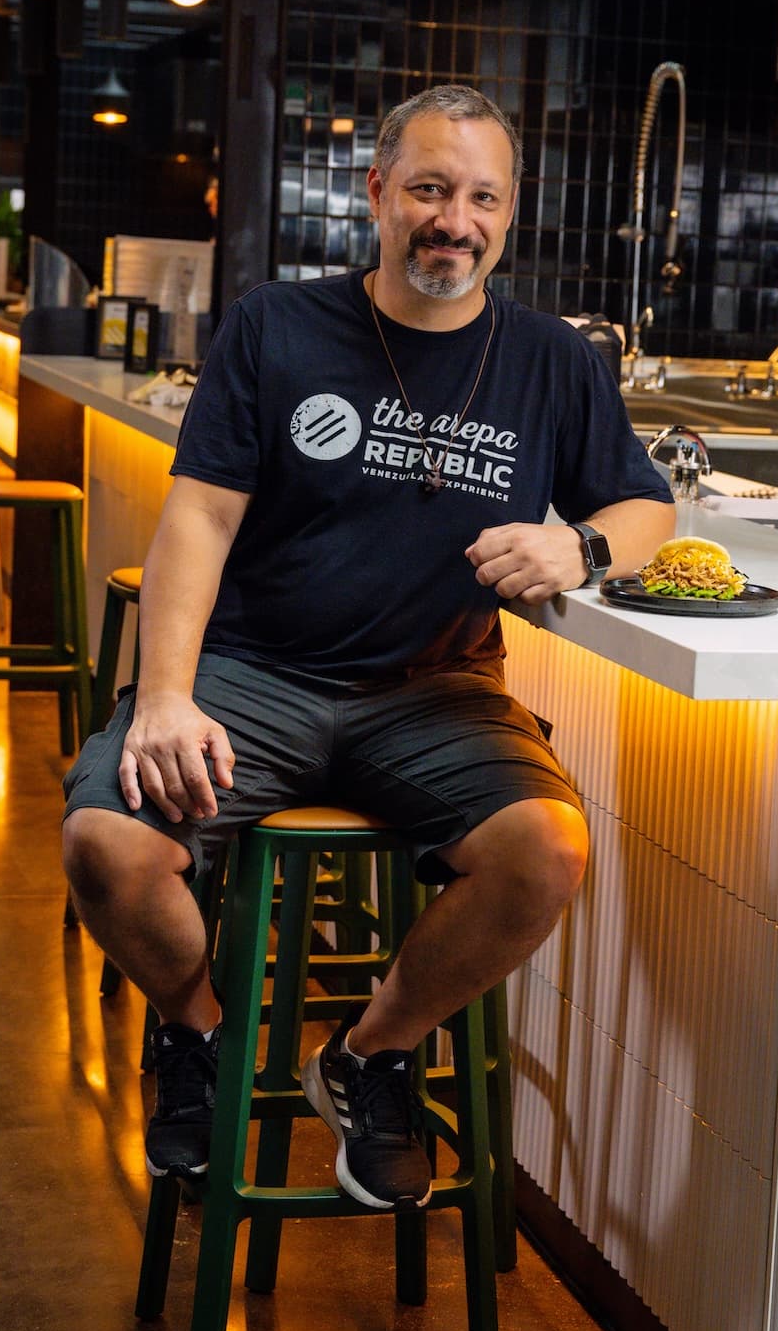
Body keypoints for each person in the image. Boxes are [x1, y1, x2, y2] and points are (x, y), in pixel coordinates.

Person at [61, 84, 674, 1210]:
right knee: (108, 841)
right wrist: (165, 695)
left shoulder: (552, 358)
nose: (455, 220)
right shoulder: (277, 326)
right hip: (255, 676)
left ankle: (371, 1050)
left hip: (437, 690)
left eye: (482, 196)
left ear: (510, 210)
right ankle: (197, 1035)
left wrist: (580, 547)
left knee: (550, 851)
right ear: (378, 191)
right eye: (432, 188)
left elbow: (648, 508)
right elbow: (198, 516)